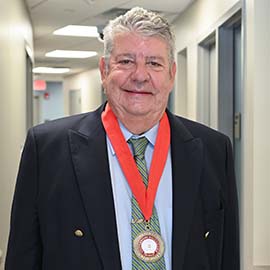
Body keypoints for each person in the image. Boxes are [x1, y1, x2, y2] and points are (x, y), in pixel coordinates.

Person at [5, 7, 239, 270]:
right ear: (104, 70)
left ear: (171, 74)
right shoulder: (47, 150)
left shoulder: (214, 150)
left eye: (154, 63)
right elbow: (22, 257)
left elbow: (226, 254)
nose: (140, 75)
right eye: (126, 61)